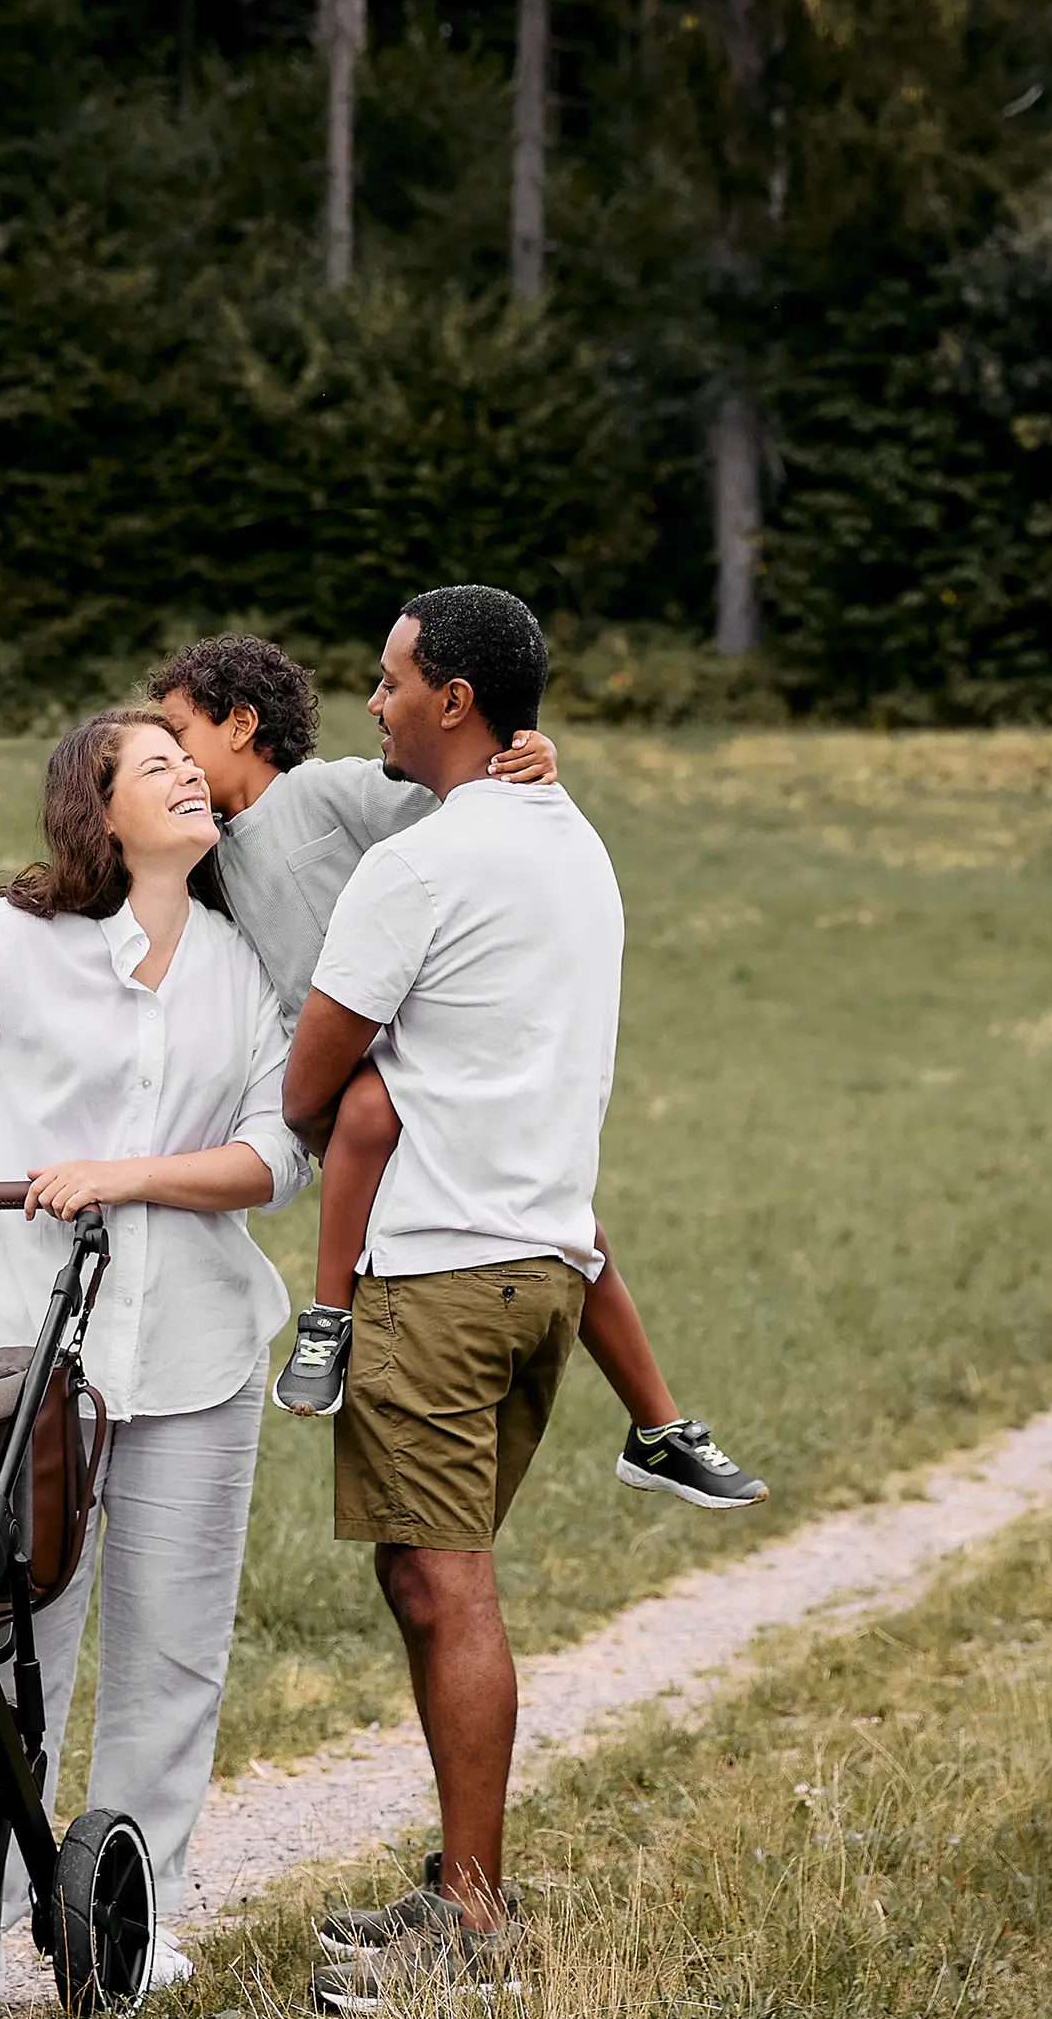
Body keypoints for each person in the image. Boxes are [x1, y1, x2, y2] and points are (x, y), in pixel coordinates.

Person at [0, 707, 306, 2015]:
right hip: (23, 1362)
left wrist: (125, 1177)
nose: (183, 778)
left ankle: (125, 1920)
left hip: (196, 1355)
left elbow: (278, 1156)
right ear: (98, 814)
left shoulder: (246, 966)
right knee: (4, 1639)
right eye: (151, 767)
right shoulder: (8, 942)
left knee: (174, 1650)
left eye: (187, 763)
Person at [150, 634, 764, 1512]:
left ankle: (654, 1425)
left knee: (569, 1230)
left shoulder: (324, 793)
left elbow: (458, 802)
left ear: (243, 725)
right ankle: (339, 1314)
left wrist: (531, 759)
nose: (171, 760)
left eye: (178, 736)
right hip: (321, 1061)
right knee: (404, 1146)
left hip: (395, 1049)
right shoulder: (211, 850)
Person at [277, 586, 624, 2011]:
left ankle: (472, 1923)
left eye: (390, 681)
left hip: (441, 1267)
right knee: (430, 1573)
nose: (374, 703)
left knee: (442, 1579)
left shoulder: (419, 869)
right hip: (544, 1265)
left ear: (457, 701)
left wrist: (339, 1097)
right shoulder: (569, 836)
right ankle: (458, 1887)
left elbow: (311, 1080)